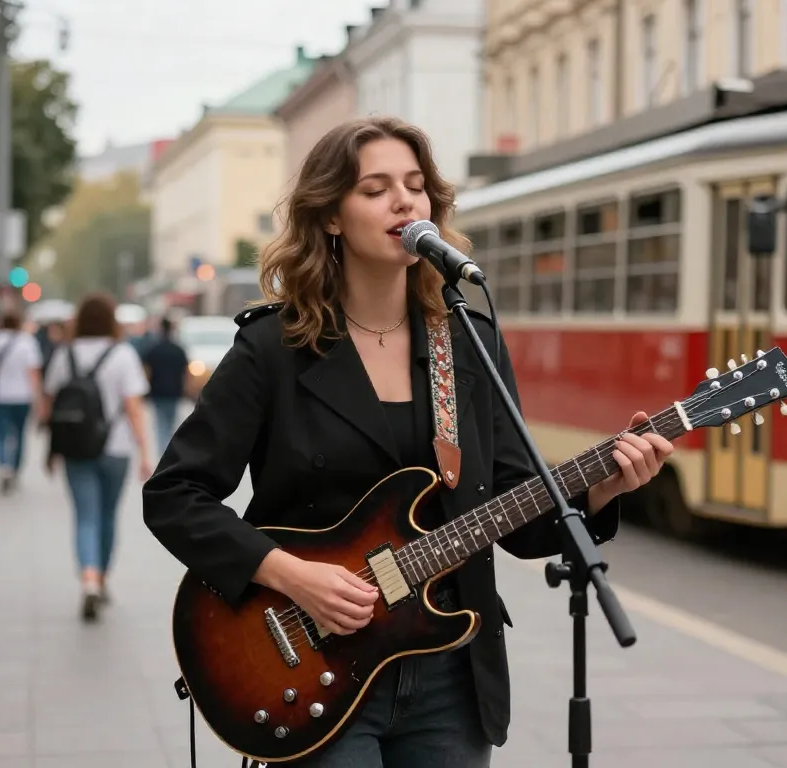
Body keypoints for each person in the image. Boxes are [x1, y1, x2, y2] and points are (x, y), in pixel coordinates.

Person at [142, 116, 673, 767]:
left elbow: (508, 511)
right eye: (377, 188)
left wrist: (599, 488)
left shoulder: (467, 342)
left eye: (417, 186)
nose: (405, 202)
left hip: (449, 669)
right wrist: (293, 576)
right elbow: (174, 495)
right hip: (313, 668)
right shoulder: (273, 350)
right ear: (331, 216)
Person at [37, 293, 153, 621]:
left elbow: (50, 406)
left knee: (85, 515)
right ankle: (101, 577)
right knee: (107, 515)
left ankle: (87, 577)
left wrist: (51, 449)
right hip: (115, 448)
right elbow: (133, 408)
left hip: (75, 449)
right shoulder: (123, 355)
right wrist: (145, 452)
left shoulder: (65, 355)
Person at [0, 310, 43, 493]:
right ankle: (15, 468)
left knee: (2, 432)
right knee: (20, 433)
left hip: (1, 394)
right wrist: (38, 398)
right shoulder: (27, 341)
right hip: (23, 395)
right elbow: (34, 372)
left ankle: (4, 465)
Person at [140, 316, 190, 452]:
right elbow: (186, 372)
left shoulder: (153, 349)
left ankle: (163, 451)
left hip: (158, 392)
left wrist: (145, 390)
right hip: (174, 391)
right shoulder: (178, 349)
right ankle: (169, 450)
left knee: (160, 423)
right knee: (171, 422)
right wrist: (185, 389)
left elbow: (147, 371)